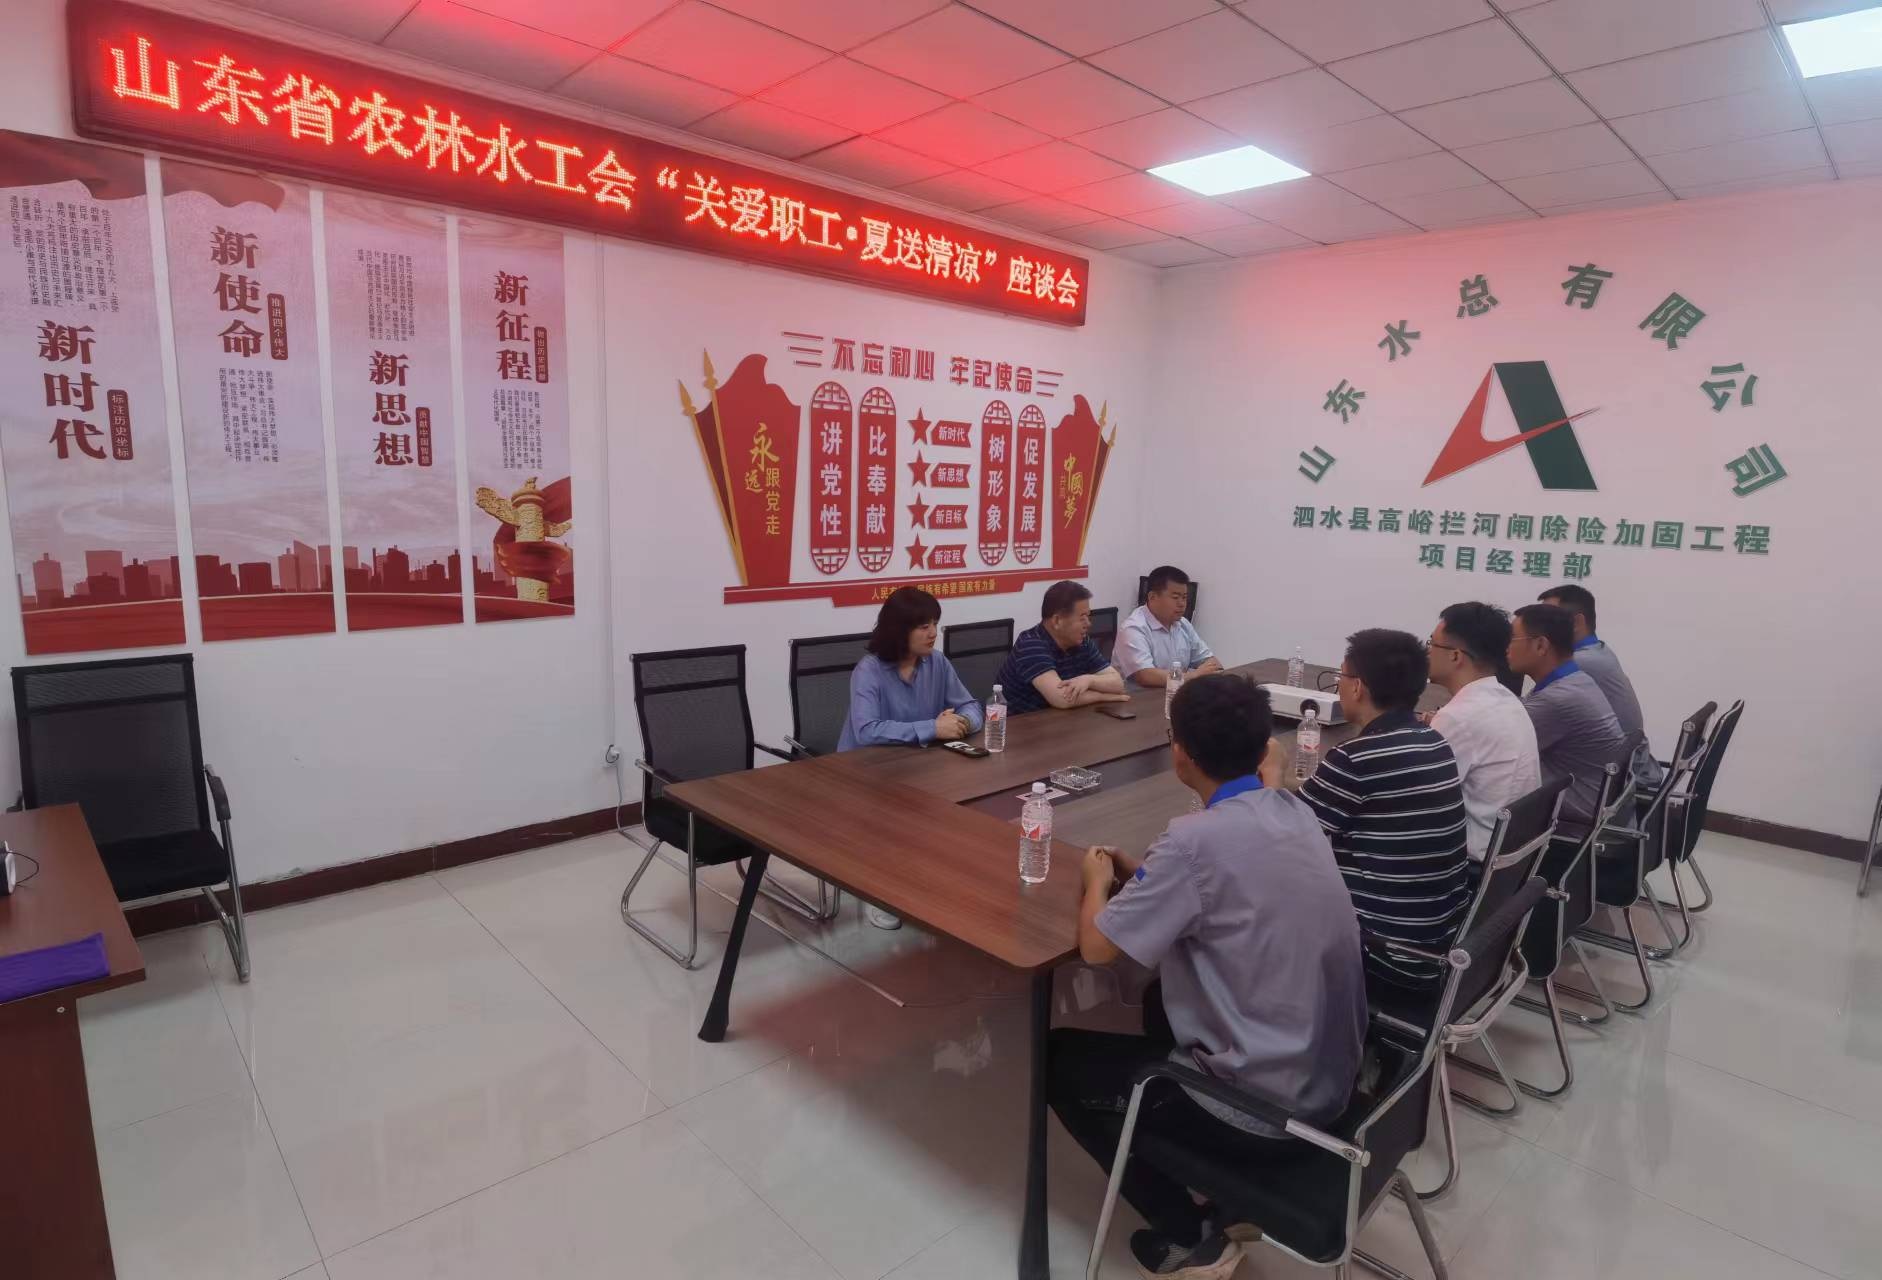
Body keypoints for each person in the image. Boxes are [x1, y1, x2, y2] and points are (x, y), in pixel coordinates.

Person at [1052, 676, 1366, 1279]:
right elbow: (1221, 887)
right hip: (1330, 1081)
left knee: (1062, 1061)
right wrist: (1148, 878)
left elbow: (1096, 949)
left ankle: (1189, 1235)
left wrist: (1096, 883)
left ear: (1180, 752)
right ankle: (1202, 1178)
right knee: (1157, 1000)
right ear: (1262, 746)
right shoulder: (1292, 810)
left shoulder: (1192, 841)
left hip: (1262, 1111)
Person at [1299, 628, 1470, 990]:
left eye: (1341, 676)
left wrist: (1270, 775)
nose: (1339, 686)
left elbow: (1278, 837)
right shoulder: (1433, 741)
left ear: (1358, 687)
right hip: (1443, 944)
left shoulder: (1355, 758)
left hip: (1386, 956)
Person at [838, 586, 983, 929]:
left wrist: (961, 723)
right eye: (923, 626)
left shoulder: (937, 662)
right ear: (899, 630)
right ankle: (881, 890)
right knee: (899, 817)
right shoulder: (869, 670)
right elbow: (867, 731)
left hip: (917, 768)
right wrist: (933, 728)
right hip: (863, 774)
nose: (933, 633)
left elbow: (971, 705)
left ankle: (934, 880)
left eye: (935, 624)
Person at [1427, 603, 1541, 860]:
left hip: (1468, 861)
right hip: (1509, 858)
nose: (1427, 652)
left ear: (1455, 656)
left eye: (1432, 644)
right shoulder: (1507, 700)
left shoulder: (1458, 717)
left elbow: (1420, 800)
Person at [1506, 603, 1629, 833]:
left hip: (1577, 824)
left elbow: (1497, 749)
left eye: (1512, 639)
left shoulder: (1558, 699)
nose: (1506, 648)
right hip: (1601, 808)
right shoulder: (1575, 680)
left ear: (1541, 645)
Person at [1537, 584, 1661, 788]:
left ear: (1576, 622)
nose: (1537, 628)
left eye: (1546, 620)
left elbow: (1527, 723)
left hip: (1614, 777)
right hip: (1625, 766)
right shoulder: (1599, 651)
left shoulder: (1580, 663)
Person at [994, 580, 1131, 714]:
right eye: (1082, 617)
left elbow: (1118, 684)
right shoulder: (1030, 644)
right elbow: (1063, 699)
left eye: (1088, 617)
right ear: (1057, 621)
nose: (1088, 624)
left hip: (1061, 721)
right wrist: (1103, 696)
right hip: (1016, 726)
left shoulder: (1082, 641)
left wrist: (1089, 680)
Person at [1116, 565, 1222, 687]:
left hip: (1176, 693)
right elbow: (1146, 675)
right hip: (1140, 697)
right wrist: (1192, 676)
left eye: (1184, 597)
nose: (1182, 604)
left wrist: (1210, 670)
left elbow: (1210, 661)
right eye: (1175, 597)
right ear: (1152, 597)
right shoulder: (1133, 628)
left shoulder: (1182, 624)